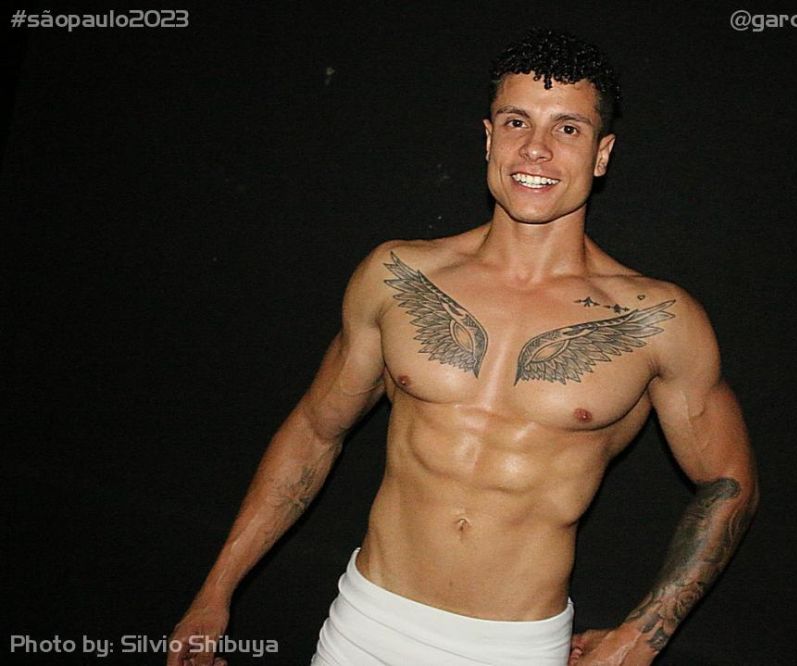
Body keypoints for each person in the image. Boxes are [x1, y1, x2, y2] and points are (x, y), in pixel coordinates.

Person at [168, 29, 758, 666]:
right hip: (365, 624)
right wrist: (215, 593)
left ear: (602, 154)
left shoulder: (657, 320)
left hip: (515, 648)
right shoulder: (398, 276)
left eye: (567, 129)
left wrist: (641, 638)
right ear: (488, 137)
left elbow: (729, 482)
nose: (535, 148)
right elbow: (314, 431)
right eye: (516, 122)